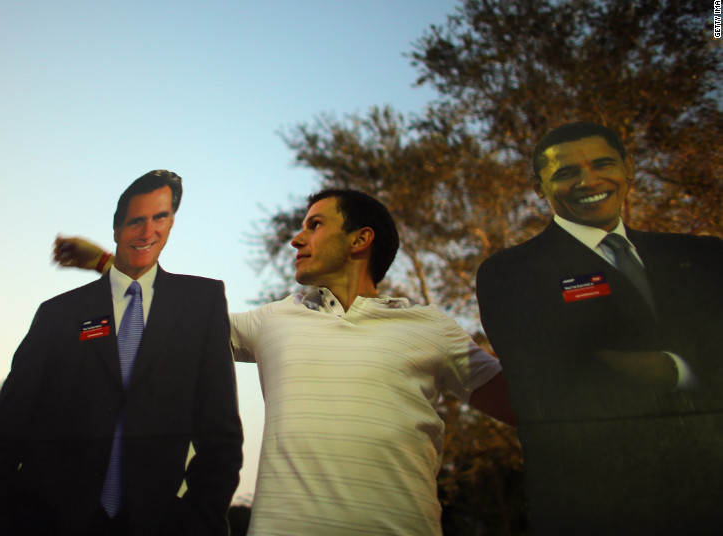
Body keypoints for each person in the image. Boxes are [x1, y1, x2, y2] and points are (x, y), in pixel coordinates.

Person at [57, 188, 515, 536]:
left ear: (361, 239)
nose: (297, 238)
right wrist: (106, 262)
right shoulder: (275, 318)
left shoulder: (428, 324)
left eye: (315, 225)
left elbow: (525, 407)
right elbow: (176, 318)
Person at [476, 121, 723, 535]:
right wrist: (694, 365)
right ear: (539, 187)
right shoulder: (509, 274)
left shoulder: (704, 257)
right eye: (566, 172)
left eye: (603, 163)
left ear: (629, 168)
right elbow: (553, 379)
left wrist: (664, 366)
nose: (589, 180)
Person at [0, 170, 243, 535]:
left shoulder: (201, 304)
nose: (148, 232)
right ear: (116, 230)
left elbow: (220, 436)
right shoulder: (58, 314)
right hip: (49, 523)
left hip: (157, 525)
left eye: (160, 218)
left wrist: (198, 521)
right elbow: (3, 435)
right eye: (136, 221)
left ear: (172, 222)